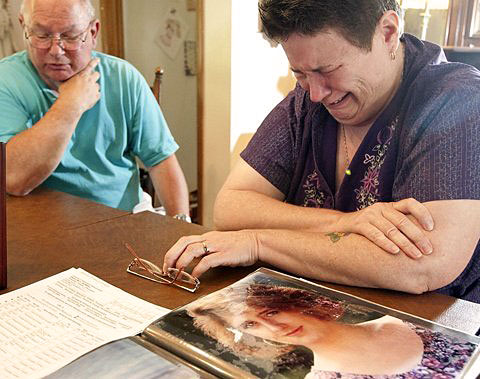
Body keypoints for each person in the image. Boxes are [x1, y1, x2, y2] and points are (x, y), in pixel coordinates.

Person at [163, 0, 480, 302]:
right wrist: (341, 223)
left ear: (387, 33)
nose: (315, 94)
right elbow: (232, 206)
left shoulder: (456, 101)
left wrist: (258, 241)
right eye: (299, 73)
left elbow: (424, 264)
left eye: (327, 69)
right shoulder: (304, 106)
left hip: (433, 329)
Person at [0, 0, 190, 216]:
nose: (55, 50)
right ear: (23, 25)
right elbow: (13, 179)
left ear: (93, 32)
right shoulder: (6, 81)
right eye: (41, 35)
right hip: (43, 226)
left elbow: (161, 161)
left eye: (70, 36)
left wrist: (182, 226)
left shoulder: (124, 77)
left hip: (124, 216)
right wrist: (69, 106)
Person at [187, 283, 477, 377]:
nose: (272, 326)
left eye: (271, 311)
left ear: (295, 301)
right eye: (250, 324)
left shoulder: (405, 321)